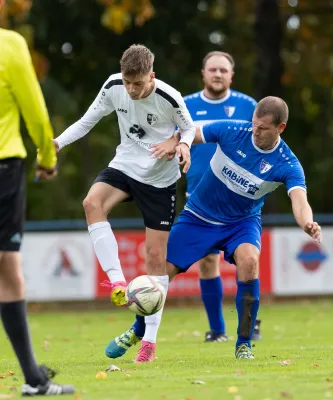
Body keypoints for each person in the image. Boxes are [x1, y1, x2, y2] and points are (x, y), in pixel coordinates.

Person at [104, 51, 262, 360]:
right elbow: (171, 133)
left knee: (248, 261)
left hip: (239, 206)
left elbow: (261, 145)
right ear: (203, 73)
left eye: (223, 70)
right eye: (212, 69)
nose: (217, 74)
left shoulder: (248, 106)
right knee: (195, 264)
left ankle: (243, 335)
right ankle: (212, 330)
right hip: (199, 200)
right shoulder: (183, 102)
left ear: (232, 75)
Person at [147, 96, 321, 359]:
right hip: (199, 215)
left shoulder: (287, 163)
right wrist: (176, 143)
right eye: (254, 124)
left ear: (280, 128)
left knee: (250, 261)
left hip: (241, 222)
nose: (256, 131)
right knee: (163, 274)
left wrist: (306, 222)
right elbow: (192, 132)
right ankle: (137, 331)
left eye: (263, 128)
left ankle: (243, 343)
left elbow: (299, 200)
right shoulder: (233, 130)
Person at [54, 44, 196, 363]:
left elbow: (189, 128)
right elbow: (87, 121)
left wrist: (182, 145)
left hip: (160, 179)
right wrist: (58, 143)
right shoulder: (113, 86)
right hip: (126, 165)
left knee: (156, 257)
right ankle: (118, 281)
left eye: (138, 83)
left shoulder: (169, 97)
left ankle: (149, 342)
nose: (131, 89)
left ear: (152, 76)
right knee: (92, 203)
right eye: (127, 82)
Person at [0, 12, 75, 396]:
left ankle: (33, 377)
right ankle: (33, 377)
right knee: (8, 267)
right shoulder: (9, 44)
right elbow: (35, 112)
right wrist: (46, 158)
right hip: (3, 169)